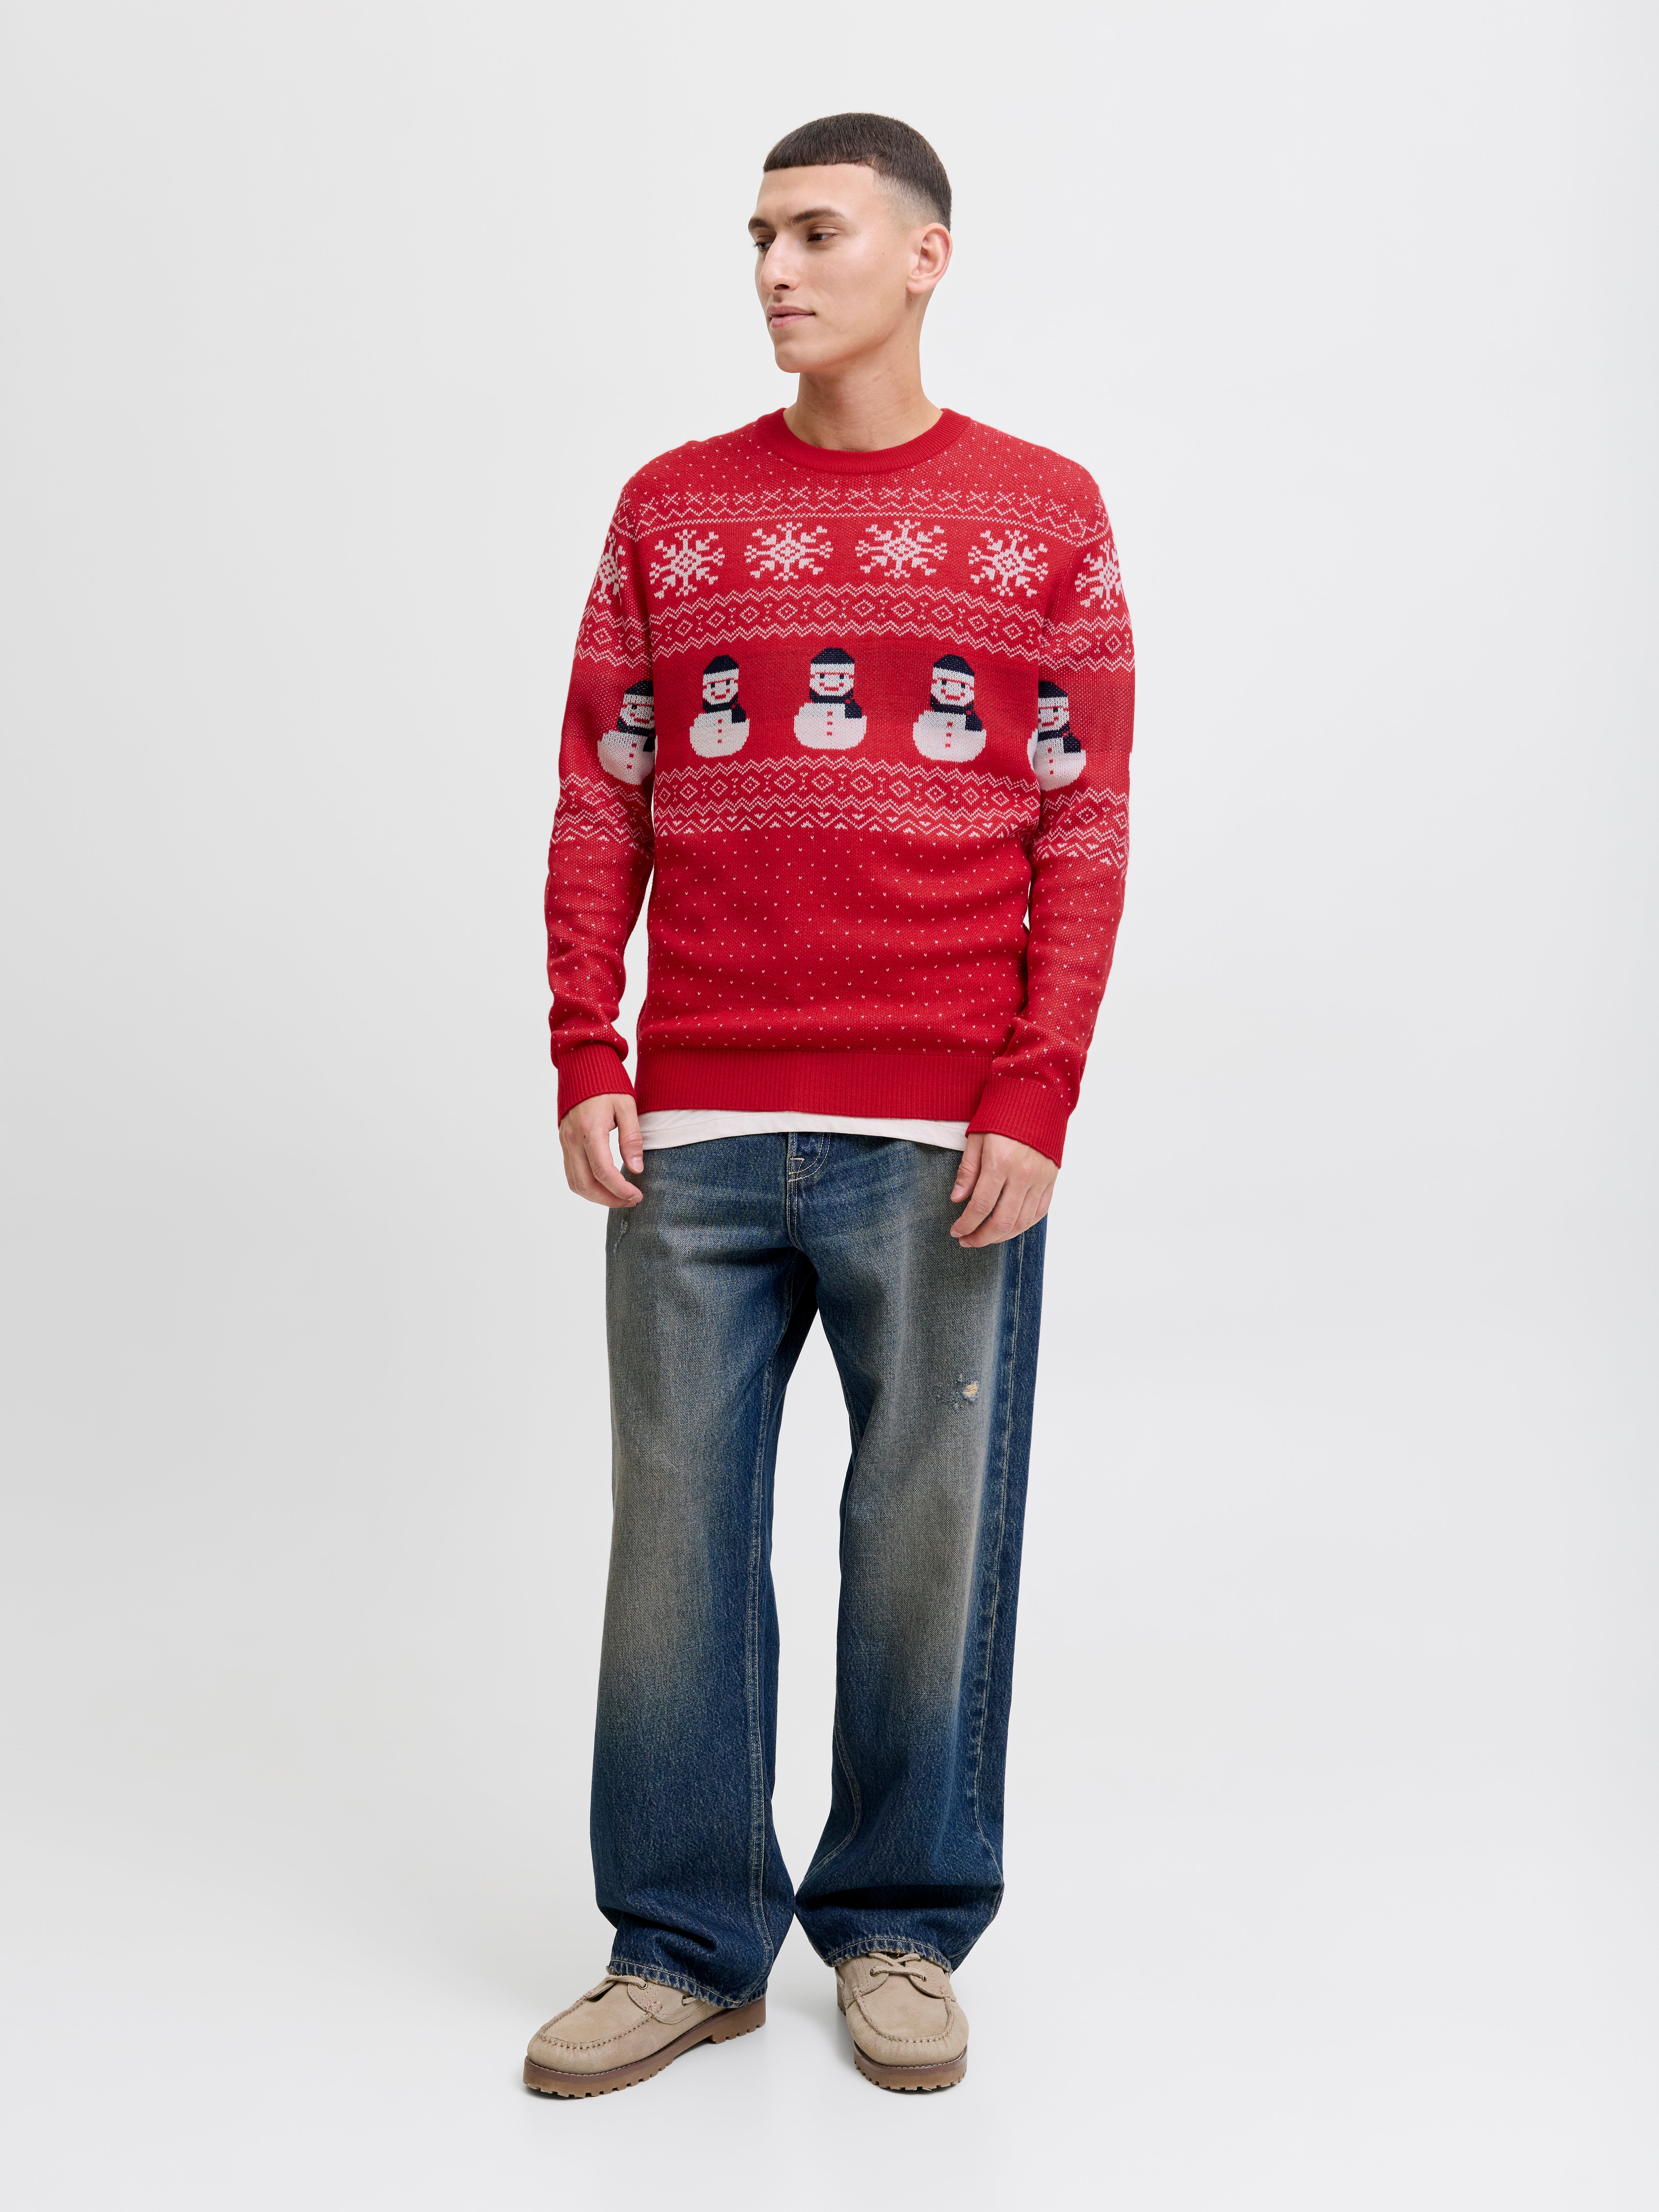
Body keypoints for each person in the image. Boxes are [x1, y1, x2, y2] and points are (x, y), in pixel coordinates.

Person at [526, 112, 1134, 2099]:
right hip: (693, 1129)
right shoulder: (672, 509)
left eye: (817, 233)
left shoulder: (1044, 515)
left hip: (940, 1134)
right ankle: (684, 1944)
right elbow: (602, 787)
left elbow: (1084, 825)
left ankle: (897, 1927)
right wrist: (588, 1049)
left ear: (926, 255)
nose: (777, 271)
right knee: (676, 1551)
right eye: (760, 238)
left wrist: (1035, 1089)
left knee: (927, 1544)